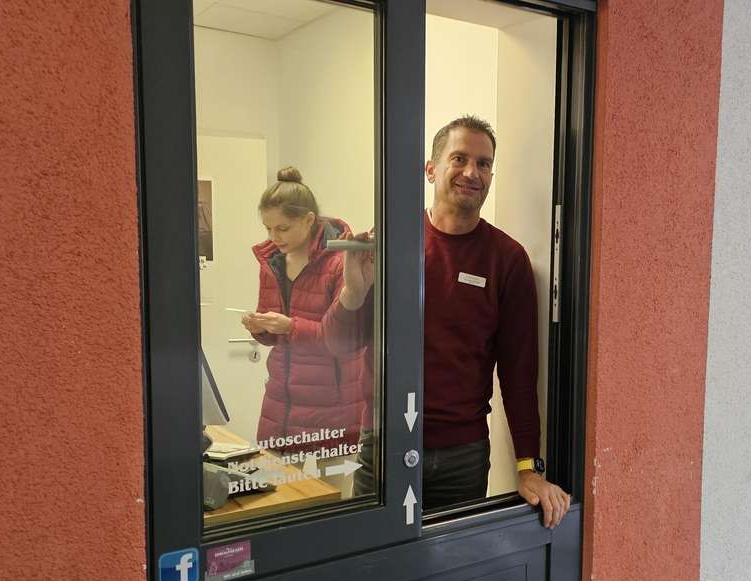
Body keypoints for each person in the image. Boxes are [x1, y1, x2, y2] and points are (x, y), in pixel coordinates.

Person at [323, 116, 571, 528]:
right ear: (431, 168)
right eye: (460, 159)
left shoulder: (507, 260)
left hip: (463, 458)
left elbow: (519, 377)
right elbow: (339, 344)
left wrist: (529, 468)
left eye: (484, 163)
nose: (473, 172)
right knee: (372, 576)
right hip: (385, 446)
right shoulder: (390, 245)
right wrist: (354, 292)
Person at [243, 167, 364, 469]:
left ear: (308, 220)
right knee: (280, 496)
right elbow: (276, 336)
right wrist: (260, 328)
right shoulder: (271, 262)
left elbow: (342, 339)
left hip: (334, 402)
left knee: (333, 499)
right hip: (282, 401)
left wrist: (289, 325)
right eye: (268, 228)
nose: (273, 237)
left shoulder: (339, 263)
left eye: (282, 229)